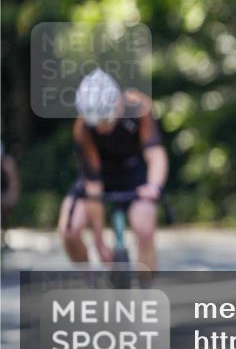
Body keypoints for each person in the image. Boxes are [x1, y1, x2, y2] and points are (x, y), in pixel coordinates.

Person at [57, 68, 168, 275]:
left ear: (118, 104)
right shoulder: (82, 127)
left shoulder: (138, 107)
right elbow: (93, 185)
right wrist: (99, 241)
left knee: (145, 228)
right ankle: (88, 280)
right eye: (96, 123)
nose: (101, 129)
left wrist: (154, 186)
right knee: (68, 230)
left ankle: (146, 289)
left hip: (133, 173)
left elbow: (156, 154)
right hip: (100, 175)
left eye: (106, 121)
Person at [1, 141, 20, 250]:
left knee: (4, 210)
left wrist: (12, 197)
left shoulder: (8, 164)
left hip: (4, 194)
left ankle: (4, 239)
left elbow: (13, 182)